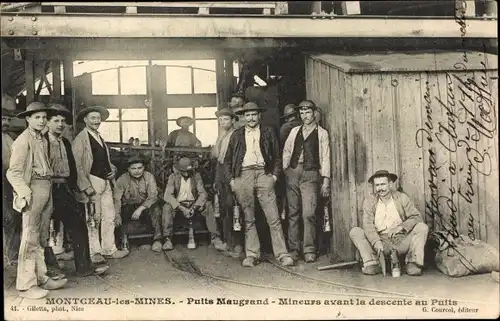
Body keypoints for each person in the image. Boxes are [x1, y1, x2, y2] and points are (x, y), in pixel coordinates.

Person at [7, 102, 68, 299]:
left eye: (43, 117)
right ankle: (26, 285)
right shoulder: (23, 141)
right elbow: (13, 172)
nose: (41, 121)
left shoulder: (41, 138)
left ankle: (41, 277)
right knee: (30, 237)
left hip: (45, 186)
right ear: (27, 119)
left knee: (42, 237)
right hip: (33, 188)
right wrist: (25, 194)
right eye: (37, 117)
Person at [43, 103, 110, 277]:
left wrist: (77, 189)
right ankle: (48, 269)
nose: (60, 124)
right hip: (46, 188)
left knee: (79, 225)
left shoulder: (65, 141)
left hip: (64, 188)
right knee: (43, 229)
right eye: (56, 121)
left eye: (63, 121)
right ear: (47, 123)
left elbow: (73, 168)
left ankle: (84, 267)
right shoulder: (41, 141)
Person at [224, 102, 294, 267]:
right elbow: (227, 160)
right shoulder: (237, 135)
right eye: (248, 115)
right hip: (244, 175)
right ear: (243, 117)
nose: (251, 118)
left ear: (259, 115)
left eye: (254, 114)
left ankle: (282, 254)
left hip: (264, 173)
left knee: (273, 217)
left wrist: (275, 176)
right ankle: (252, 254)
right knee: (249, 218)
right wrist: (232, 180)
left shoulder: (268, 131)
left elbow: (277, 156)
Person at [72, 105, 129, 264]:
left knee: (109, 216)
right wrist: (85, 186)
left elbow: (105, 160)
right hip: (92, 180)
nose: (97, 121)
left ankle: (109, 249)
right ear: (85, 120)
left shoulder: (99, 137)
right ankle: (94, 252)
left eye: (98, 118)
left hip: (105, 181)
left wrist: (112, 171)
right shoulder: (80, 139)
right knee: (93, 218)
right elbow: (77, 165)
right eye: (93, 118)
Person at [349, 170, 429, 276]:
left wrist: (401, 227)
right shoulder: (369, 201)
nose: (380, 188)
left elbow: (417, 217)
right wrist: (376, 241)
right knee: (355, 232)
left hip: (400, 241)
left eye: (383, 184)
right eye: (377, 185)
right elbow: (367, 224)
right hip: (380, 242)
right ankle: (373, 263)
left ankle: (412, 262)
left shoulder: (401, 198)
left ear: (390, 184)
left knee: (422, 227)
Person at [282, 100, 331, 263]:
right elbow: (287, 150)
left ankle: (309, 249)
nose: (305, 116)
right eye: (302, 113)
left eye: (308, 112)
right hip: (293, 173)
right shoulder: (295, 131)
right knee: (293, 213)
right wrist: (286, 169)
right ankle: (294, 249)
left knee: (308, 213)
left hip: (311, 175)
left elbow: (325, 157)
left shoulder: (322, 133)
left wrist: (326, 180)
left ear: (314, 113)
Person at [163, 157, 221, 249]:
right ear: (179, 170)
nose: (186, 173)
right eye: (183, 171)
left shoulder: (196, 176)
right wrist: (181, 208)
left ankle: (215, 237)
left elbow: (203, 194)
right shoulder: (173, 177)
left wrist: (194, 207)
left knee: (208, 204)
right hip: (179, 204)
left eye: (188, 171)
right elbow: (167, 196)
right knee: (167, 207)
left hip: (193, 203)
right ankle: (167, 239)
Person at [113, 155, 166, 252]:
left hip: (145, 206)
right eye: (133, 168)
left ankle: (157, 240)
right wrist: (117, 214)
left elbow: (153, 196)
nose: (137, 171)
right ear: (128, 169)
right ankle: (122, 240)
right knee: (118, 214)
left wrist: (140, 209)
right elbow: (116, 199)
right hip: (128, 207)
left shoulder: (149, 177)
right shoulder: (122, 179)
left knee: (156, 209)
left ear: (144, 168)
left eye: (139, 168)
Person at [212, 108, 243, 256]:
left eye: (226, 119)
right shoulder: (221, 136)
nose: (223, 122)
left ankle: (237, 243)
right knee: (224, 208)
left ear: (232, 120)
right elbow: (218, 160)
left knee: (234, 207)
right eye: (221, 120)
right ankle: (227, 241)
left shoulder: (236, 135)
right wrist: (217, 180)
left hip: (231, 174)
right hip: (221, 174)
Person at [2, 106, 21, 267]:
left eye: (8, 119)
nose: (5, 122)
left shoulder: (10, 137)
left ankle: (11, 256)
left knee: (11, 218)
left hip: (9, 182)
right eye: (2, 119)